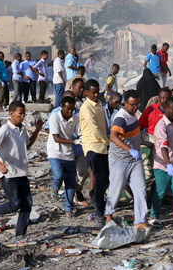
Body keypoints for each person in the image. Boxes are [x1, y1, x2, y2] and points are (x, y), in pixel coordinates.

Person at [0, 101, 44, 242]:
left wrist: (37, 130)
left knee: (27, 205)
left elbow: (27, 145)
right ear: (11, 113)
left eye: (24, 114)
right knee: (15, 204)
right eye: (20, 114)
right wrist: (0, 165)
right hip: (8, 173)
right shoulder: (5, 129)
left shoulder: (23, 128)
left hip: (22, 172)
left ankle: (20, 235)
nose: (23, 117)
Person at [105, 89, 149, 229]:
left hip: (134, 160)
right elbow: (113, 137)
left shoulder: (134, 114)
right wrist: (129, 149)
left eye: (137, 104)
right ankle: (109, 217)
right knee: (115, 189)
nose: (135, 107)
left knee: (140, 188)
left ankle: (140, 221)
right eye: (133, 105)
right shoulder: (121, 118)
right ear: (126, 103)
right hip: (120, 160)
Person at [150, 97, 173, 228]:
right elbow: (163, 147)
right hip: (162, 165)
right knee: (160, 192)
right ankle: (154, 216)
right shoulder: (162, 126)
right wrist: (168, 164)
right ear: (166, 108)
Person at [80, 79, 109, 224]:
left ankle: (98, 202)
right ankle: (99, 212)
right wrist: (108, 142)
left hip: (102, 146)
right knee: (100, 178)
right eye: (93, 92)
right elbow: (95, 129)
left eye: (97, 92)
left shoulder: (98, 104)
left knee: (105, 178)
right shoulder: (86, 107)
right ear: (86, 93)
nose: (96, 94)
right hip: (93, 146)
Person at [46, 96, 79, 217]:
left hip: (69, 153)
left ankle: (69, 208)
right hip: (55, 151)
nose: (70, 112)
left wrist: (82, 139)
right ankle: (54, 188)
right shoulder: (54, 117)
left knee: (71, 181)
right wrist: (74, 142)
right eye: (67, 109)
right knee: (59, 175)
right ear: (62, 107)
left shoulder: (75, 119)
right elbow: (56, 138)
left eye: (72, 109)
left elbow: (79, 133)